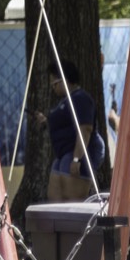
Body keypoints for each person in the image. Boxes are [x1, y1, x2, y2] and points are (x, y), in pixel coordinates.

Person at [37, 60, 104, 201]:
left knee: (73, 201)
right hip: (63, 156)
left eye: (54, 84)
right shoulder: (67, 101)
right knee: (56, 198)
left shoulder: (80, 99)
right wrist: (46, 121)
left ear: (65, 80)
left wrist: (76, 158)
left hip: (76, 154)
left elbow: (85, 129)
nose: (52, 88)